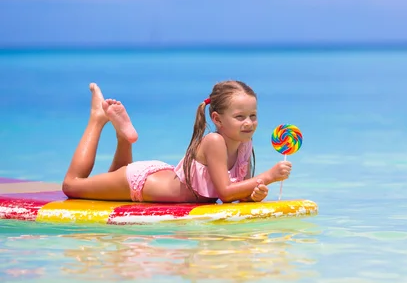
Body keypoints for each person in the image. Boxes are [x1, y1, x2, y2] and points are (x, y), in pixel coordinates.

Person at [62, 80, 292, 203]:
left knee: (116, 172)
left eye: (253, 116)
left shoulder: (244, 144)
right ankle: (97, 118)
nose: (249, 123)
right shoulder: (214, 141)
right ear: (217, 119)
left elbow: (237, 192)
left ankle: (124, 137)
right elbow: (225, 192)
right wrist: (268, 177)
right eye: (240, 117)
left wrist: (254, 195)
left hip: (160, 175)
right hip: (141, 185)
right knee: (72, 186)